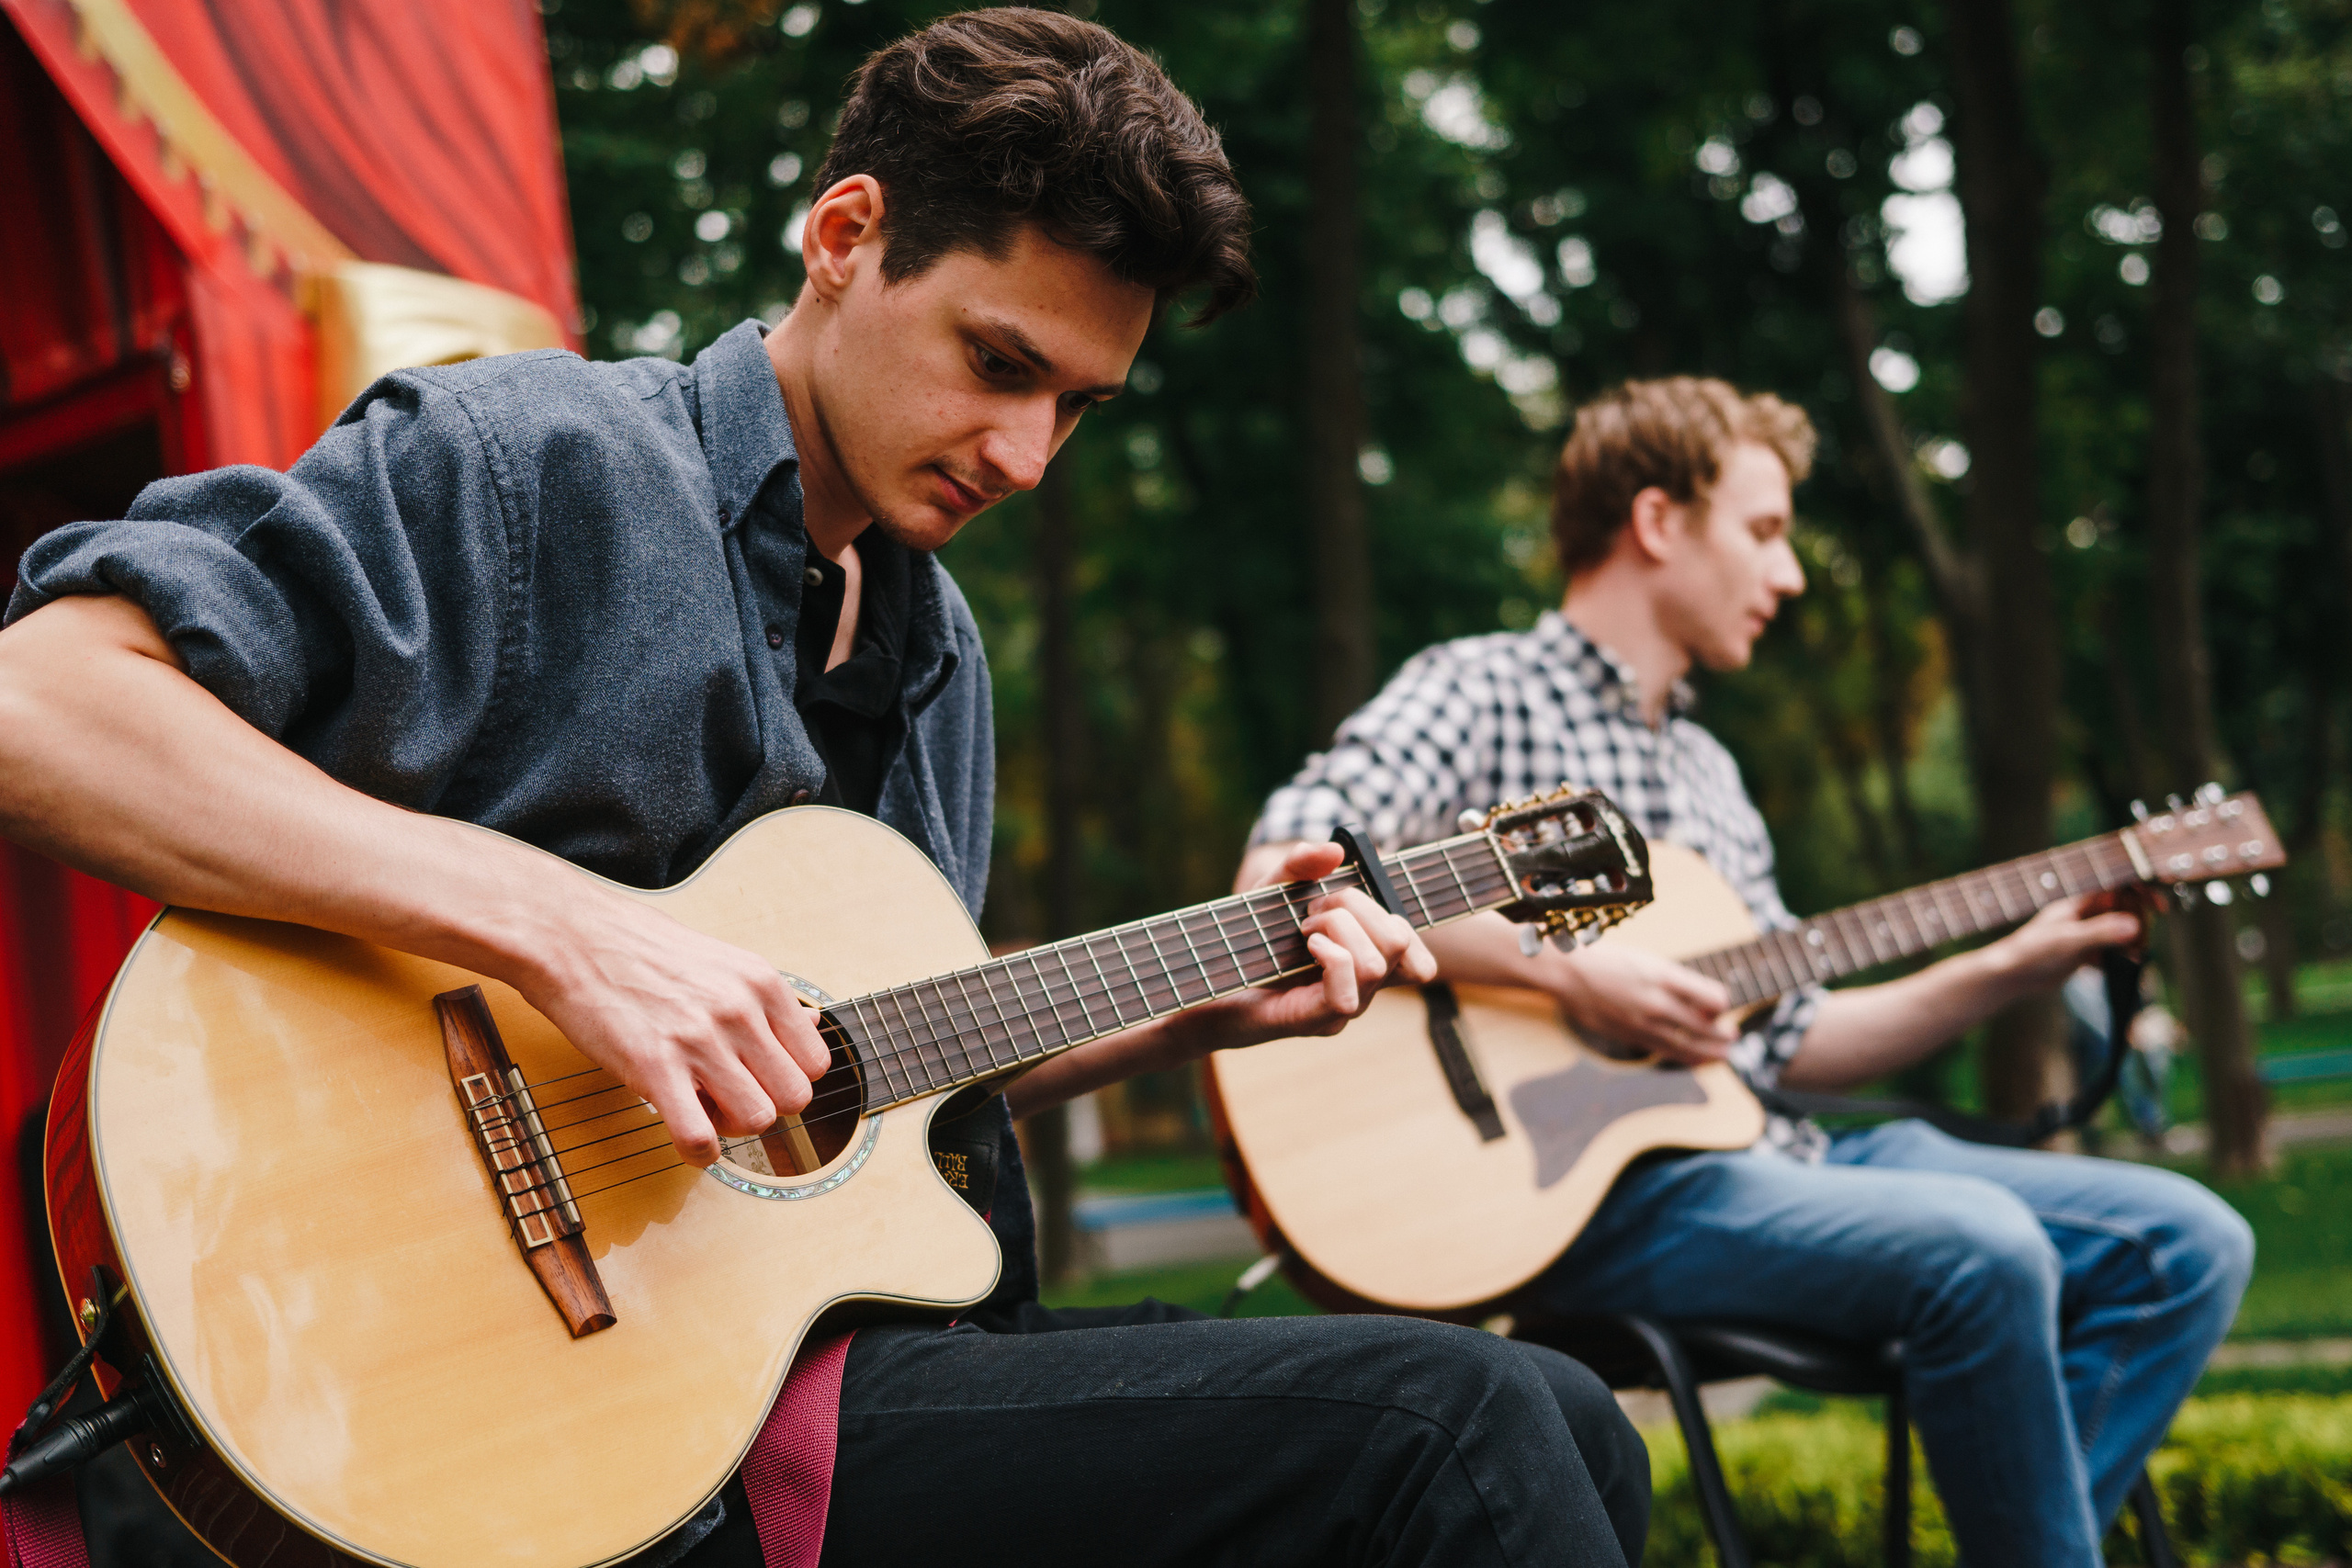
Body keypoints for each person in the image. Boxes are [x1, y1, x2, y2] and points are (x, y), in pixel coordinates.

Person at [0, 12, 1650, 1566]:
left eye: (1075, 405)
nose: (1022, 454)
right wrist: (560, 930)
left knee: (1578, 1420)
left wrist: (1192, 1007)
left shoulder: (941, 658)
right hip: (520, 1400)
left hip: (817, 1372)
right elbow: (44, 706)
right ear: (846, 235)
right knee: (1460, 1426)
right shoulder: (537, 459)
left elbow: (856, 1084)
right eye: (998, 360)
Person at [1240, 376, 2254, 1567]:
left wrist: (2013, 966)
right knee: (1983, 1248)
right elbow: (1286, 872)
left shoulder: (1712, 775)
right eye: (1766, 533)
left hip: (1777, 1154)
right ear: (1660, 522)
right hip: (1584, 1189)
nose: (1790, 575)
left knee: (2191, 1245)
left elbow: (1792, 1037)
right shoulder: (1477, 689)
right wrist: (1568, 980)